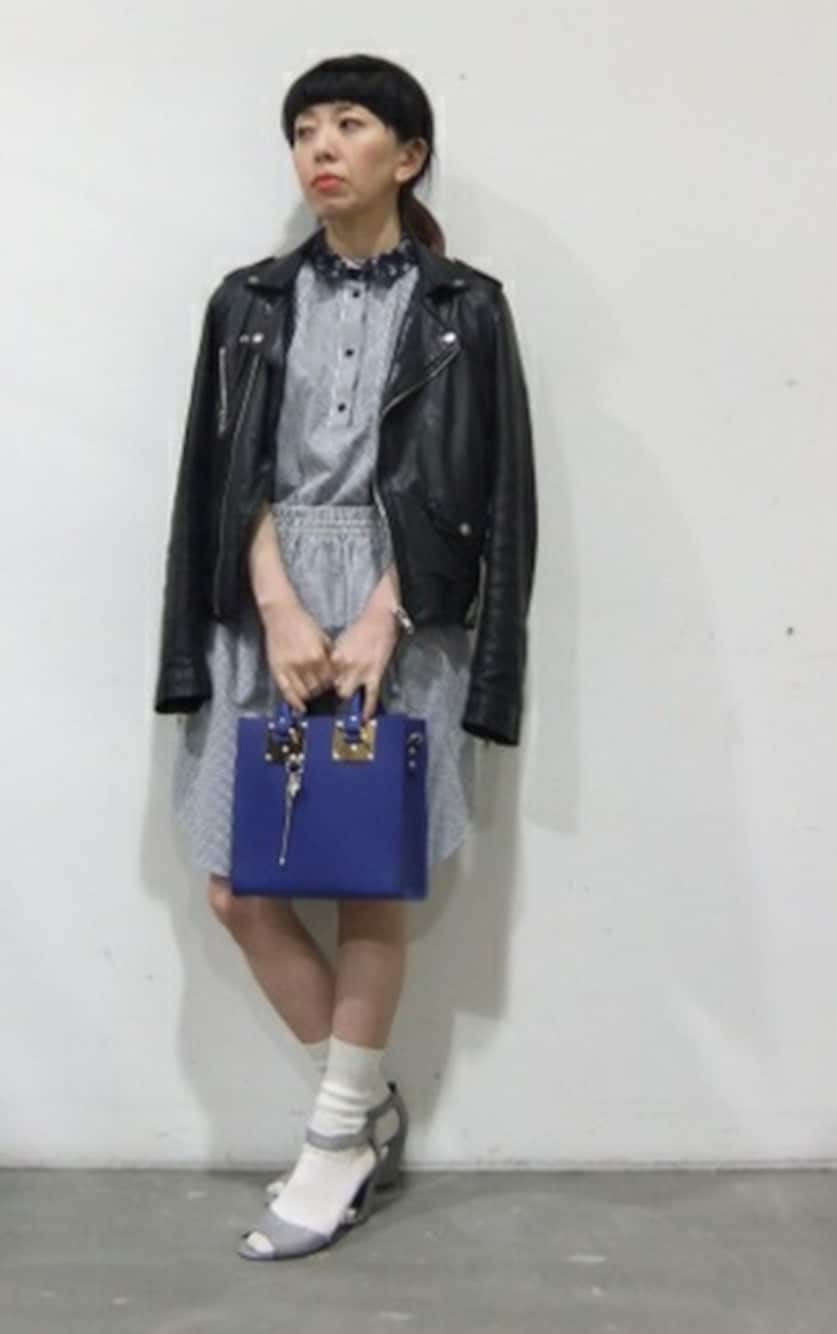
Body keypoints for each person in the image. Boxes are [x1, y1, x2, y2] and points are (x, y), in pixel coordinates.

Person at [152, 53, 537, 1260]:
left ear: (405, 156)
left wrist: (388, 612)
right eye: (305, 128)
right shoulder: (247, 302)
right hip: (265, 597)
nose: (321, 146)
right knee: (240, 885)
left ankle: (332, 1137)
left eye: (351, 124)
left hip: (401, 603)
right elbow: (221, 472)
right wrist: (274, 603)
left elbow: (485, 485)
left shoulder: (467, 307)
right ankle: (365, 1111)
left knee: (367, 870)